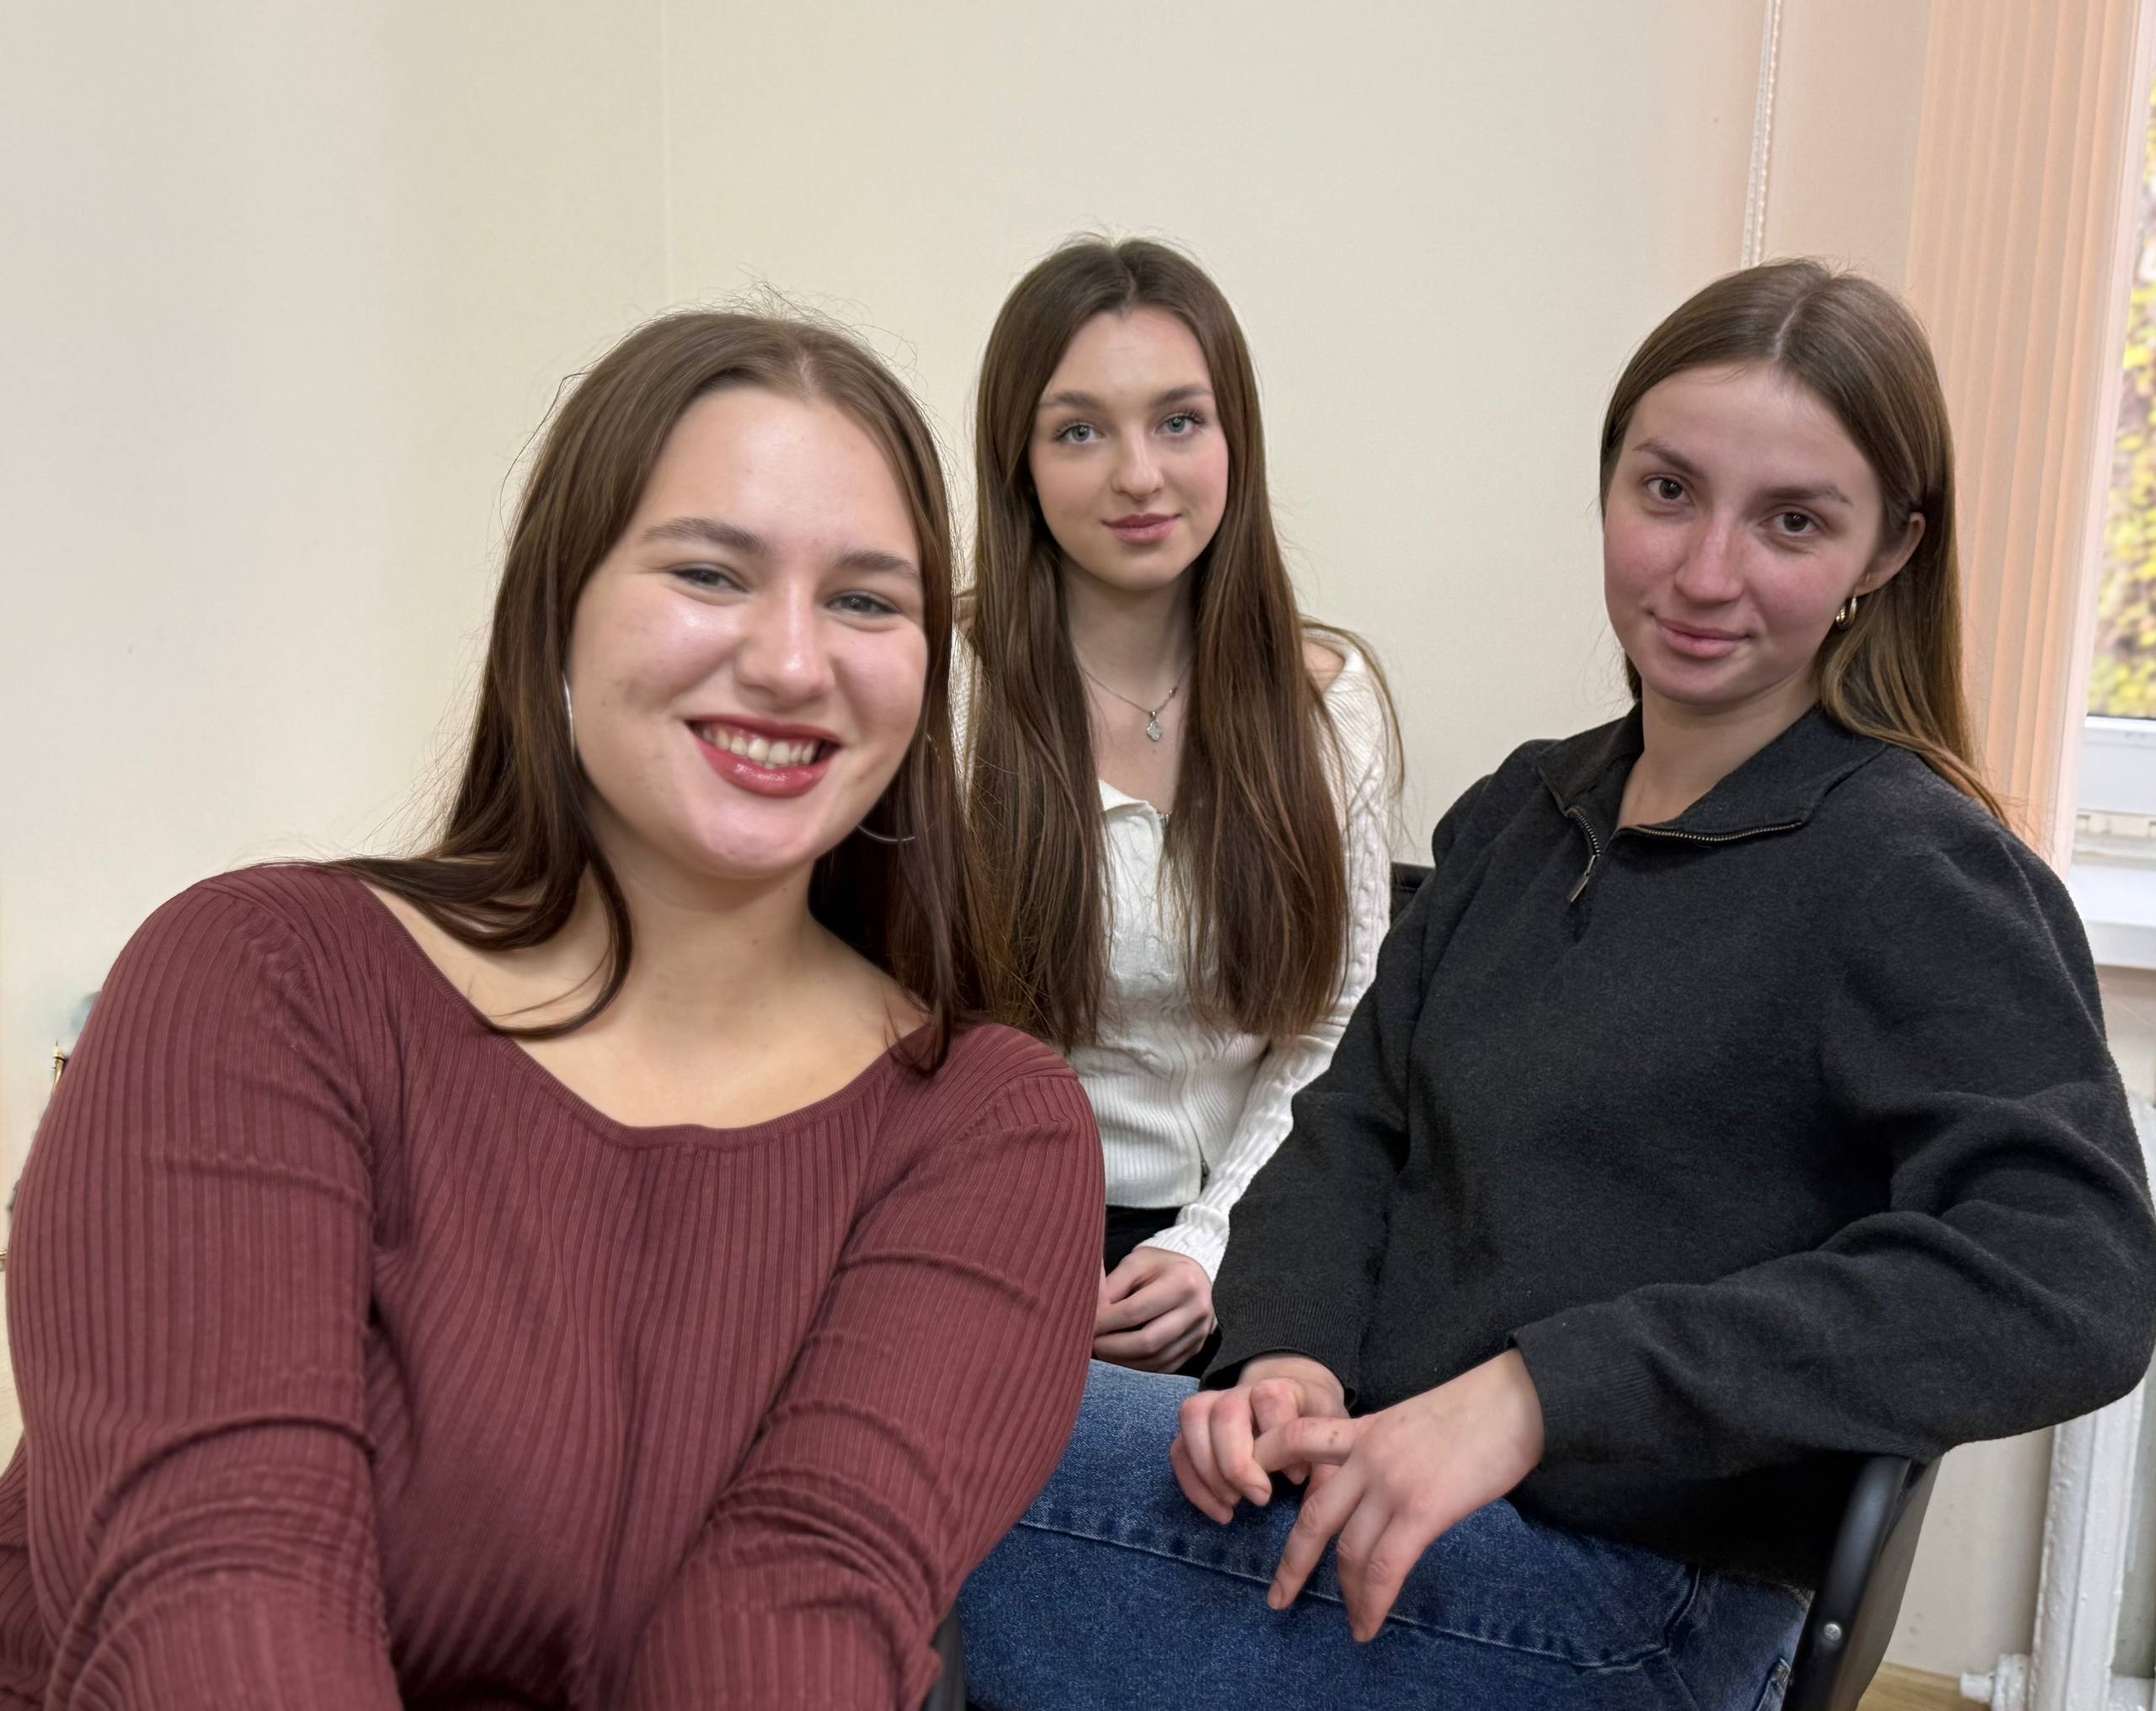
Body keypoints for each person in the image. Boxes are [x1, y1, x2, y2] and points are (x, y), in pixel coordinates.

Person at [958, 260, 2156, 1710]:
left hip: (1634, 1605)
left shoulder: (1913, 871)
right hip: (1389, 1502)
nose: (1704, 572)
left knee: (930, 1433)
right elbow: (1356, 1127)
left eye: (1792, 521)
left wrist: (1540, 1395)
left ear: (1889, 551)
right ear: (1609, 486)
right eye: (1668, 492)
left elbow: (2077, 1276)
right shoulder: (1528, 814)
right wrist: (1287, 1361)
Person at [0, 311, 1102, 1710]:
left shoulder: (988, 1127)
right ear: (558, 605)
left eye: (867, 602)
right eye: (709, 573)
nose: (791, 661)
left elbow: (796, 1621)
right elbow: (216, 1596)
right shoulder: (259, 975)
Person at [958, 237, 1398, 1375]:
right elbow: (892, 1034)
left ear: (1233, 437)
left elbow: (1337, 1028)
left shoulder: (1328, 702)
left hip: (1258, 1218)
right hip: (984, 1226)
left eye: (1179, 421)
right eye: (1079, 432)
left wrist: (1208, 1241)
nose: (1140, 476)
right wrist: (1022, 1255)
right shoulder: (941, 691)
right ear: (1018, 461)